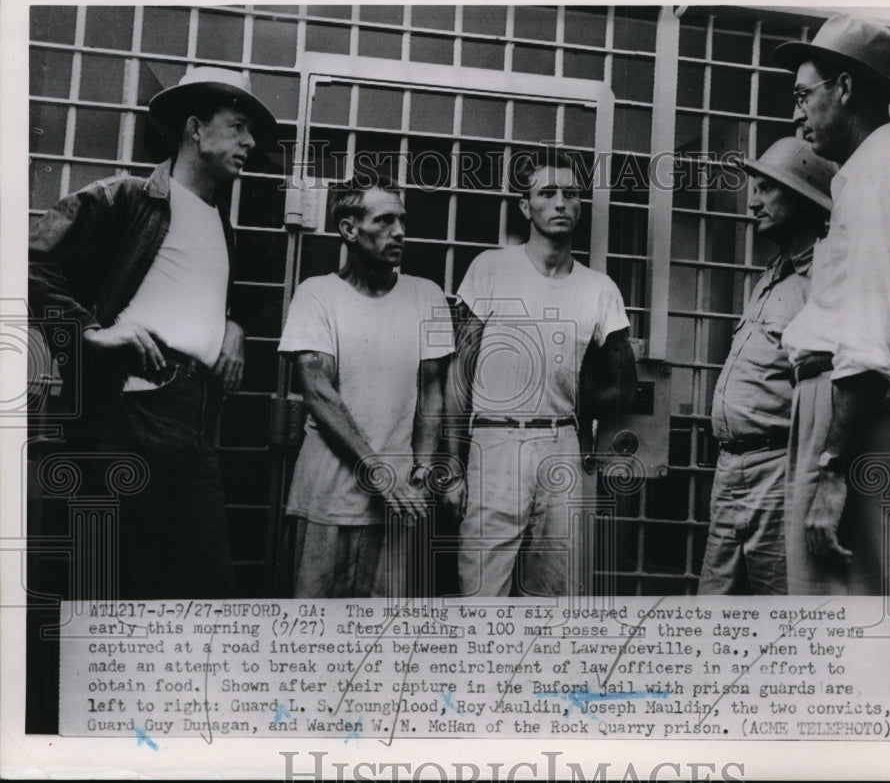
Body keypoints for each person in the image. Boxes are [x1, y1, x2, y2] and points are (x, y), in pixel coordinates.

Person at [28, 66, 276, 599]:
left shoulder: (217, 221)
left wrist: (234, 324)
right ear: (194, 128)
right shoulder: (126, 197)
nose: (250, 142)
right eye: (236, 126)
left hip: (197, 416)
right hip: (133, 408)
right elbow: (30, 270)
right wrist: (91, 334)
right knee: (115, 581)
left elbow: (188, 293)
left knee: (204, 583)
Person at [773, 15, 890, 597]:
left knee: (854, 623)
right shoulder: (871, 171)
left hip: (863, 412)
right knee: (846, 620)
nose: (796, 115)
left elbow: (870, 339)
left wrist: (833, 468)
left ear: (844, 89)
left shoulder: (881, 175)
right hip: (860, 409)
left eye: (803, 96)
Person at [445, 148, 637, 597]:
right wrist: (453, 465)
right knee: (481, 591)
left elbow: (624, 385)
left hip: (560, 445)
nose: (560, 203)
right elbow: (459, 373)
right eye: (547, 193)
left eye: (571, 194)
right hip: (494, 442)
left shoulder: (599, 288)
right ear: (524, 205)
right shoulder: (490, 268)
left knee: (553, 594)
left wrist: (568, 407)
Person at [278, 179, 452, 598]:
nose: (399, 232)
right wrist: (379, 474)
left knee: (380, 638)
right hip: (327, 495)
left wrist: (423, 471)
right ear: (349, 230)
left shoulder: (425, 295)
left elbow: (431, 392)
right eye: (385, 220)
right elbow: (320, 393)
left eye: (402, 221)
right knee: (313, 630)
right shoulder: (317, 294)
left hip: (398, 503)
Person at [699, 137, 837, 595]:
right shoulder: (772, 274)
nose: (751, 202)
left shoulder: (825, 282)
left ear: (801, 198)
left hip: (778, 471)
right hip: (731, 470)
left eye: (765, 189)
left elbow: (832, 393)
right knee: (714, 613)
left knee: (778, 616)